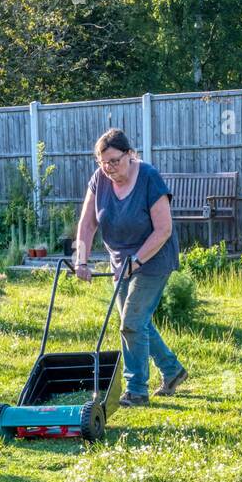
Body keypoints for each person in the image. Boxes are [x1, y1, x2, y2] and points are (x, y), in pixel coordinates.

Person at [74, 128, 188, 406]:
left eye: (115, 161)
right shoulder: (98, 180)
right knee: (138, 322)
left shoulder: (149, 177)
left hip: (153, 257)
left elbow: (163, 230)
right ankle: (173, 371)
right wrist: (81, 259)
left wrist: (136, 262)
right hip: (119, 261)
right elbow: (87, 224)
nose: (109, 168)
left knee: (131, 323)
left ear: (130, 154)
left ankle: (136, 389)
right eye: (103, 162)